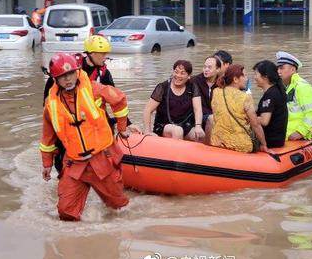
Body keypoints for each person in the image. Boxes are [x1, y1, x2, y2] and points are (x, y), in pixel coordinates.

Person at [40, 52, 130, 221]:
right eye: (62, 76)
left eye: (70, 73)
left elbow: (119, 99)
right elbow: (48, 136)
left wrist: (122, 127)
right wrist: (47, 163)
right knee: (66, 213)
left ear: (77, 71)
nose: (68, 79)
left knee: (118, 209)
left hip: (102, 159)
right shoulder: (50, 104)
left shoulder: (94, 88)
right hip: (75, 163)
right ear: (55, 79)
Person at [43, 35, 139, 173]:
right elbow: (50, 96)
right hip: (69, 119)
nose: (105, 57)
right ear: (91, 54)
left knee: (106, 148)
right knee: (63, 152)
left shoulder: (104, 74)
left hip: (94, 120)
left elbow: (115, 99)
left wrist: (126, 124)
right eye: (103, 54)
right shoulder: (69, 69)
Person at [210, 64, 269, 153]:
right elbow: (255, 125)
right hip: (240, 145)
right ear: (235, 79)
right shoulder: (245, 98)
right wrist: (264, 145)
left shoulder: (216, 92)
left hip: (217, 142)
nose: (247, 79)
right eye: (244, 76)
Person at [143, 60, 205, 140]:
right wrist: (147, 131)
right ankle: (177, 152)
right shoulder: (163, 87)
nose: (178, 75)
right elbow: (148, 110)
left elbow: (198, 109)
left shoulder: (192, 87)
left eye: (182, 73)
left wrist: (198, 126)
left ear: (189, 76)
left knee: (200, 135)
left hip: (185, 125)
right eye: (176, 72)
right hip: (164, 125)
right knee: (178, 131)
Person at [276, 51, 312, 141]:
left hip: (298, 137)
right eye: (278, 68)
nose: (278, 71)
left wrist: (300, 132)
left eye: (281, 68)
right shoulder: (286, 87)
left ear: (292, 70)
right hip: (286, 135)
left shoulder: (302, 87)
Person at [253, 60, 288, 148]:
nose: (254, 77)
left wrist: (248, 117)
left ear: (265, 77)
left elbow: (264, 121)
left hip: (270, 140)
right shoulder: (277, 90)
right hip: (278, 138)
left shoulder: (270, 95)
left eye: (256, 74)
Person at [191, 56, 222, 142]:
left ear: (218, 69)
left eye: (209, 67)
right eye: (204, 67)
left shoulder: (222, 83)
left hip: (216, 117)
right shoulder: (194, 81)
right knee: (211, 118)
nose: (206, 69)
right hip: (198, 117)